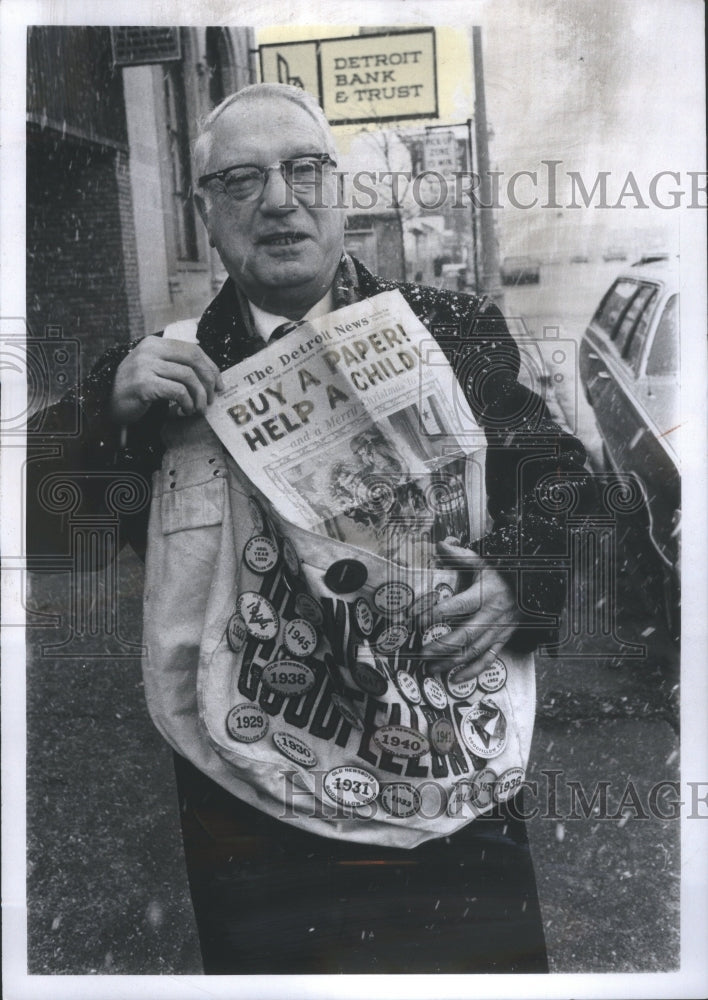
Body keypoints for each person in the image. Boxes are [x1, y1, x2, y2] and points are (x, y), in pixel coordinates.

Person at [28, 83, 596, 974]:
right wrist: (105, 412)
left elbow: (562, 475)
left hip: (451, 787)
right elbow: (49, 534)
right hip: (255, 813)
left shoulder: (451, 331)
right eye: (243, 180)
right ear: (206, 213)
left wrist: (520, 574)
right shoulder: (161, 373)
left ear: (340, 191)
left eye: (303, 171)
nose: (281, 201)